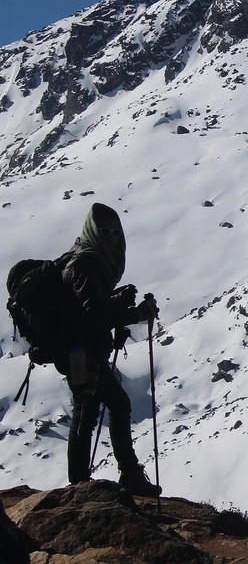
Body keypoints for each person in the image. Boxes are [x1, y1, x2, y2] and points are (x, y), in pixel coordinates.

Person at [59, 203, 161, 497]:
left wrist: (116, 302)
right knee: (88, 413)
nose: (113, 238)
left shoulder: (88, 260)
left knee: (105, 408)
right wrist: (133, 313)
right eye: (105, 232)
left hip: (85, 349)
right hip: (81, 352)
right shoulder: (86, 264)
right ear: (93, 230)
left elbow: (91, 308)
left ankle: (101, 478)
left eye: (116, 233)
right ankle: (83, 484)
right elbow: (94, 313)